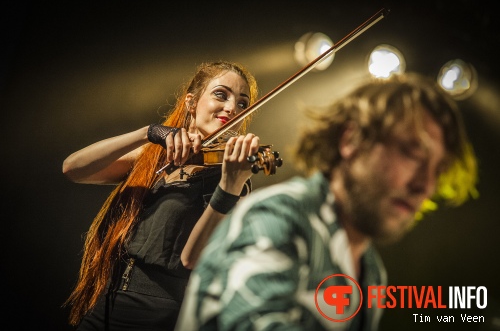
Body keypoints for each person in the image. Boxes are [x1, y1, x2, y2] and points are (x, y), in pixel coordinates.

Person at [174, 73, 478, 331]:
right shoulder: (278, 217)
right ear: (351, 141)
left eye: (438, 170)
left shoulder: (371, 271)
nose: (425, 185)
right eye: (412, 153)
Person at [62, 61, 264, 331]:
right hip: (106, 304)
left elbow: (196, 259)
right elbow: (74, 168)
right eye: (221, 94)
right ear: (191, 102)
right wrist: (147, 133)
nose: (231, 108)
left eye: (242, 103)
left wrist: (229, 187)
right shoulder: (154, 158)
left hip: (160, 316)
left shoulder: (228, 177)